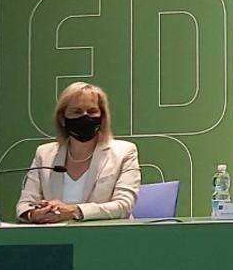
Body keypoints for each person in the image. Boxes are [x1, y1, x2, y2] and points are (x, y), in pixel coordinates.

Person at [16, 82, 140, 223]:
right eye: (76, 112)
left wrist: (75, 211)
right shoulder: (44, 154)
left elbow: (123, 206)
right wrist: (35, 214)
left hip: (106, 237)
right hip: (56, 238)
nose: (85, 117)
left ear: (102, 116)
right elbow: (25, 205)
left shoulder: (125, 152)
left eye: (92, 111)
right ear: (63, 119)